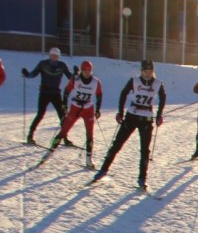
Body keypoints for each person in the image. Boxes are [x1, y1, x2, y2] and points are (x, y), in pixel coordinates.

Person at [91, 59, 166, 190]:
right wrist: (120, 111)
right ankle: (104, 169)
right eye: (145, 71)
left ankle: (142, 178)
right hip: (131, 116)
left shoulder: (158, 84)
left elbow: (163, 98)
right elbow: (123, 93)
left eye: (150, 71)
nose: (148, 74)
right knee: (117, 144)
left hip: (146, 119)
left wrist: (159, 114)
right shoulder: (134, 81)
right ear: (141, 71)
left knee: (144, 150)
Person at [45, 61, 104, 168]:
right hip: (75, 108)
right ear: (81, 70)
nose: (87, 73)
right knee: (64, 130)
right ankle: (50, 152)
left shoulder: (96, 82)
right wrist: (64, 104)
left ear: (91, 71)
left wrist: (98, 109)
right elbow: (67, 91)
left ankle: (88, 159)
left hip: (88, 109)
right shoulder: (76, 79)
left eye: (89, 70)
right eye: (85, 70)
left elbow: (99, 95)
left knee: (90, 134)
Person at [22, 46, 76, 146]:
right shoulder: (43, 64)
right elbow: (33, 74)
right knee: (40, 114)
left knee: (62, 115)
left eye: (56, 56)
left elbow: (70, 77)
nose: (54, 57)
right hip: (44, 92)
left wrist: (76, 74)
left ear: (58, 56)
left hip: (56, 93)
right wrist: (27, 74)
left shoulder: (62, 65)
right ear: (50, 55)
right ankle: (30, 135)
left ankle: (65, 137)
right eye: (52, 55)